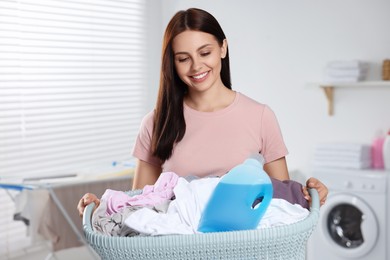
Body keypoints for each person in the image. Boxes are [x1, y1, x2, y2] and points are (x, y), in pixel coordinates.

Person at [77, 7, 328, 217]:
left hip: (244, 249)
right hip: (176, 250)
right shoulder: (156, 123)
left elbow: (283, 204)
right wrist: (100, 209)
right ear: (172, 63)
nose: (197, 66)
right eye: (183, 58)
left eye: (205, 52)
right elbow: (139, 206)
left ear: (223, 48)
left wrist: (311, 194)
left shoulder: (260, 116)